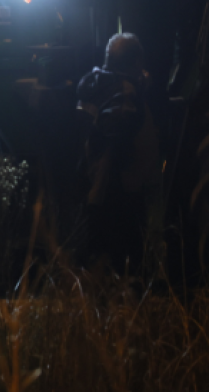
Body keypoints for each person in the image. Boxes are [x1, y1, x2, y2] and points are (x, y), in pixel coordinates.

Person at [74, 33, 160, 273]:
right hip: (118, 193)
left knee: (100, 261)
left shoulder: (95, 85)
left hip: (93, 188)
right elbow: (115, 135)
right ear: (136, 62)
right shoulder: (124, 92)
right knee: (124, 261)